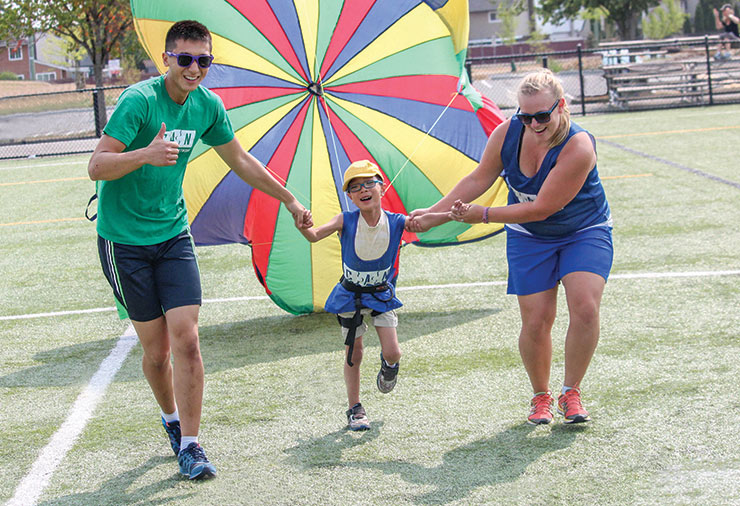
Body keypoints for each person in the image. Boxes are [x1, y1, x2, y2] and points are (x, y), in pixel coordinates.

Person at [87, 20, 311, 479]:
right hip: (123, 242)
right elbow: (96, 166)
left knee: (186, 340)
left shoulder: (208, 105)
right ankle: (171, 419)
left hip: (172, 235)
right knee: (156, 353)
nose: (194, 68)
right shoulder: (139, 102)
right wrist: (143, 155)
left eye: (203, 60)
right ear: (166, 58)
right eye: (185, 59)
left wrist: (288, 198)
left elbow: (242, 160)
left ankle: (191, 444)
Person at [409, 69, 613, 425]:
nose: (533, 124)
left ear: (561, 107)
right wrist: (434, 214)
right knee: (536, 320)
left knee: (585, 307)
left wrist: (483, 215)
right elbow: (479, 177)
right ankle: (541, 397)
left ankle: (572, 392)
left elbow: (542, 207)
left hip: (583, 230)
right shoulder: (507, 134)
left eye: (542, 116)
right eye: (524, 115)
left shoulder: (578, 146)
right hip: (530, 237)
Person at [299, 160, 447, 431]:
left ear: (382, 187)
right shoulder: (345, 220)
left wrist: (451, 214)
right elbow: (314, 235)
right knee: (353, 353)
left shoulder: (396, 221)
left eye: (369, 183)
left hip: (381, 295)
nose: (363, 190)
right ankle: (354, 408)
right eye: (355, 187)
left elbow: (422, 223)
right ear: (350, 196)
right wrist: (303, 224)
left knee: (394, 351)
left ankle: (389, 365)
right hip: (350, 296)